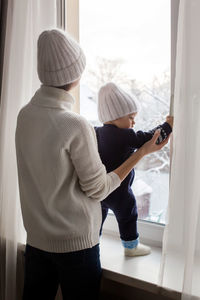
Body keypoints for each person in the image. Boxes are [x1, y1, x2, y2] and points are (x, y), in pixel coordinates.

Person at [15, 29, 171, 300]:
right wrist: (141, 152)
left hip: (36, 241)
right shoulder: (75, 125)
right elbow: (99, 190)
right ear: (74, 76)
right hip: (76, 248)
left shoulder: (25, 115)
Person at [95, 82, 173, 257]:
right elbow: (150, 138)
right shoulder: (124, 135)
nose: (134, 122)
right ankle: (131, 247)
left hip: (100, 190)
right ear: (115, 116)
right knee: (129, 214)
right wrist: (168, 125)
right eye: (130, 117)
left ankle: (94, 242)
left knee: (97, 219)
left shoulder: (96, 132)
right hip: (119, 190)